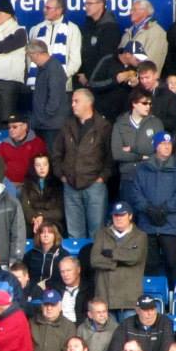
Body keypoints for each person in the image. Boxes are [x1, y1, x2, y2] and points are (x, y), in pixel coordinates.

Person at [51, 88, 112, 239]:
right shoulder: (67, 125)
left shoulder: (104, 127)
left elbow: (110, 156)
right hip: (70, 185)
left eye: (76, 101)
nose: (72, 104)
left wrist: (102, 177)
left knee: (97, 234)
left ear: (88, 103)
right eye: (72, 101)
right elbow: (56, 153)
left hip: (95, 185)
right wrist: (61, 175)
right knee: (74, 235)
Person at [131, 131, 176, 279]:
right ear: (156, 146)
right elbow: (136, 194)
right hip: (148, 225)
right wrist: (148, 209)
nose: (167, 147)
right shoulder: (142, 169)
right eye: (163, 144)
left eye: (169, 144)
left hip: (171, 226)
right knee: (149, 266)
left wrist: (164, 209)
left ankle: (172, 292)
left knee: (173, 266)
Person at [90, 201, 148, 315]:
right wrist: (116, 263)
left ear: (130, 216)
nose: (118, 218)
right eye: (116, 215)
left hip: (129, 299)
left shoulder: (140, 236)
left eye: (122, 215)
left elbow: (134, 257)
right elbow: (95, 260)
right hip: (105, 298)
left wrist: (112, 253)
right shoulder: (101, 234)